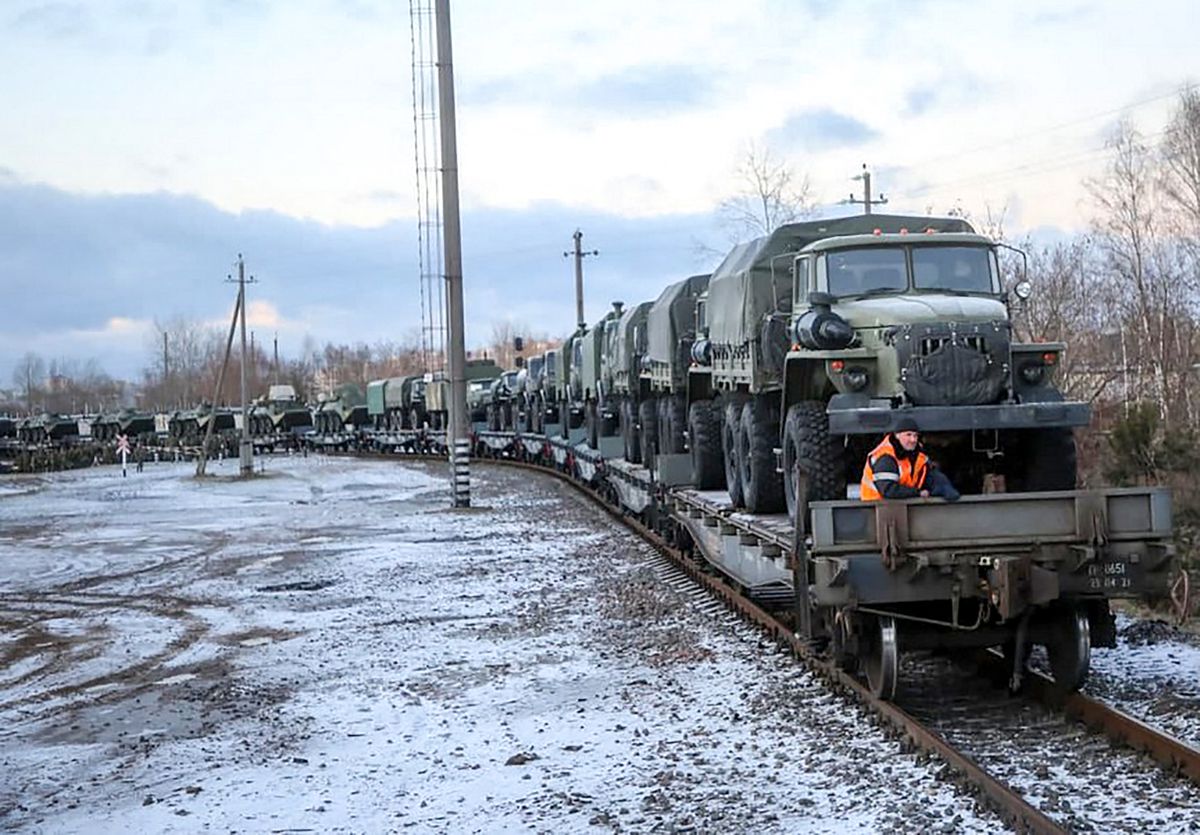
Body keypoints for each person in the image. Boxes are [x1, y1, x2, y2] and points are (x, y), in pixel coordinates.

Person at [860, 417, 960, 502]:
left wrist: (944, 487)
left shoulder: (916, 455)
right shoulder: (885, 457)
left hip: (901, 504)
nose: (913, 439)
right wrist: (918, 493)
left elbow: (929, 475)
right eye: (908, 435)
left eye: (915, 435)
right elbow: (888, 490)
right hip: (877, 507)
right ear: (897, 435)